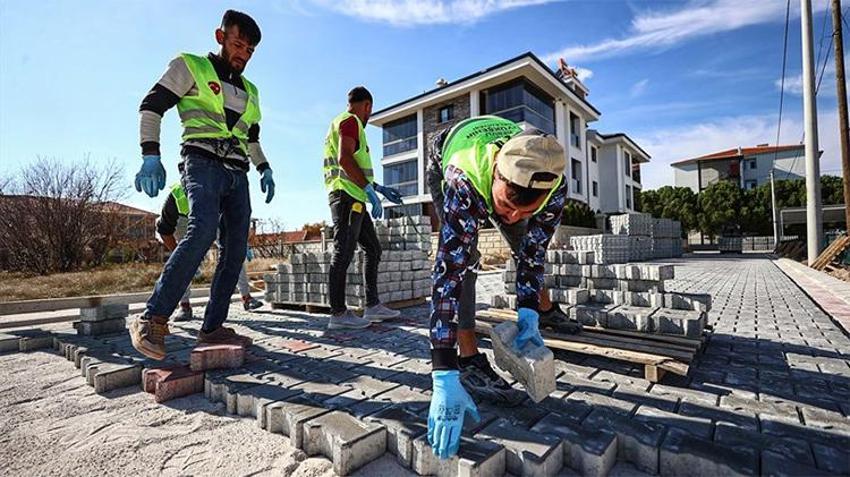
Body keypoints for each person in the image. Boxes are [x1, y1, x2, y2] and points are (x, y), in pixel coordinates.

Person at [425, 115, 571, 459]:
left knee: (524, 244)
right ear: (497, 174)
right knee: (466, 261)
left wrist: (528, 311)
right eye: (505, 205)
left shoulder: (554, 186)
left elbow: (534, 253)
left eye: (525, 211)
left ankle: (538, 315)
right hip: (445, 152)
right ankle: (467, 358)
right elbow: (447, 277)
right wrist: (442, 371)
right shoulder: (465, 182)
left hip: (507, 168)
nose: (510, 217)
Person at [130, 10, 273, 360]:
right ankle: (152, 319)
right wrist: (151, 153)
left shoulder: (251, 91)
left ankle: (212, 328)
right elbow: (152, 105)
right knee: (202, 230)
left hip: (237, 173)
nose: (243, 54)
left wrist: (264, 167)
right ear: (220, 37)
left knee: (236, 249)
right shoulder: (190, 66)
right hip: (202, 162)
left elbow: (251, 138)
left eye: (250, 50)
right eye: (238, 44)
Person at [322, 86, 404, 329]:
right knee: (343, 252)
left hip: (355, 197)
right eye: (371, 110)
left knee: (373, 248)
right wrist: (368, 191)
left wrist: (376, 189)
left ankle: (372, 305)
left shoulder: (344, 123)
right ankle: (337, 314)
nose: (369, 116)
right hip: (347, 197)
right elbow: (344, 159)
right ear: (367, 106)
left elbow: (355, 164)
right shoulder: (350, 122)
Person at [156, 183, 263, 322]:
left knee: (233, 255)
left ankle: (247, 298)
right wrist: (180, 254)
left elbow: (235, 218)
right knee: (183, 262)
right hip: (184, 221)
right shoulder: (176, 197)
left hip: (214, 218)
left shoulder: (217, 188)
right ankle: (184, 305)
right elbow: (164, 230)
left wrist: (240, 242)